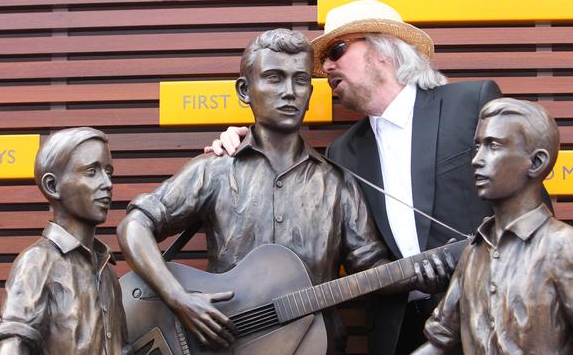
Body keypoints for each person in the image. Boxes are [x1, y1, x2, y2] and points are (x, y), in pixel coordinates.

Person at [207, 0, 536, 354]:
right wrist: (248, 143)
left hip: (490, 316)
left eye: (337, 50)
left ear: (383, 49)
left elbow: (531, 208)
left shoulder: (471, 102)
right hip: (400, 333)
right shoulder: (341, 154)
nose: (327, 67)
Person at [117, 28, 446, 355]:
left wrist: (419, 274)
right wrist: (178, 298)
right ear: (245, 90)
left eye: (300, 80)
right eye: (274, 78)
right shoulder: (214, 170)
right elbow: (135, 224)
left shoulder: (338, 184)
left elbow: (372, 268)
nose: (289, 91)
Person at [414, 98, 573, 354]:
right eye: (477, 146)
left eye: (493, 146)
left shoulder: (561, 244)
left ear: (535, 163)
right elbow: (438, 343)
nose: (477, 159)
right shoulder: (474, 253)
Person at [0, 127, 130, 355]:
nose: (107, 183)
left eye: (108, 171)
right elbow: (12, 348)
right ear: (52, 186)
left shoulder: (107, 273)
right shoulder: (37, 262)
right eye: (91, 171)